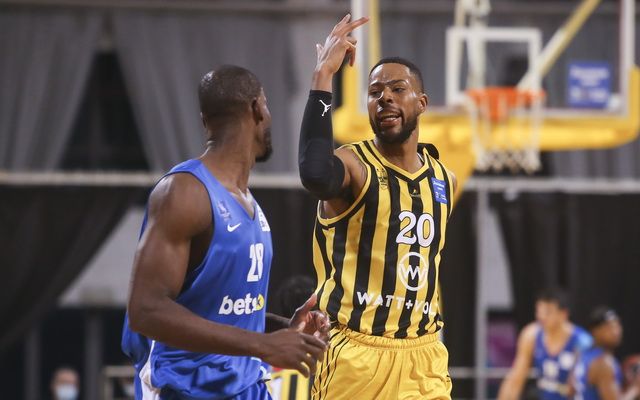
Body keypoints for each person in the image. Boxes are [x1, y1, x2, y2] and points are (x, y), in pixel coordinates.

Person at [121, 65, 329, 400]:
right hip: (185, 389)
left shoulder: (249, 203)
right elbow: (145, 311)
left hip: (247, 386)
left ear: (205, 121)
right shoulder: (185, 192)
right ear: (257, 108)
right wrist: (263, 344)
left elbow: (217, 312)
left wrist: (283, 330)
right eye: (267, 106)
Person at [298, 14, 457, 399]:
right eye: (374, 92)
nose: (384, 97)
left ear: (422, 103)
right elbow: (315, 174)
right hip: (358, 355)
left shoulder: (444, 179)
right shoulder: (354, 164)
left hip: (424, 357)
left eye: (397, 89)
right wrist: (323, 76)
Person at [498, 288, 593, 400]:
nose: (542, 317)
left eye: (548, 312)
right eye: (539, 311)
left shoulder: (582, 341)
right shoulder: (531, 335)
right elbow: (516, 379)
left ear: (564, 314)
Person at [574, 307, 640, 400]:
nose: (616, 331)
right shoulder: (604, 363)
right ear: (595, 331)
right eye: (609, 327)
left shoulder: (583, 355)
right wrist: (635, 389)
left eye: (617, 325)